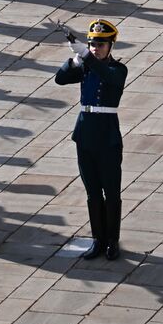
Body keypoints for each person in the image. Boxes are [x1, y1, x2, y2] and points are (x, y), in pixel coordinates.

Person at [54, 20, 127, 261]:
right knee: (92, 191)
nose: (96, 48)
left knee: (112, 191)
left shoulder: (118, 69)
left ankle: (112, 240)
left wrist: (87, 57)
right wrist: (75, 61)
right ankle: (98, 239)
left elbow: (108, 76)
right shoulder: (86, 66)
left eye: (101, 44)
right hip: (85, 133)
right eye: (92, 44)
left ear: (110, 45)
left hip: (107, 135)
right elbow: (60, 79)